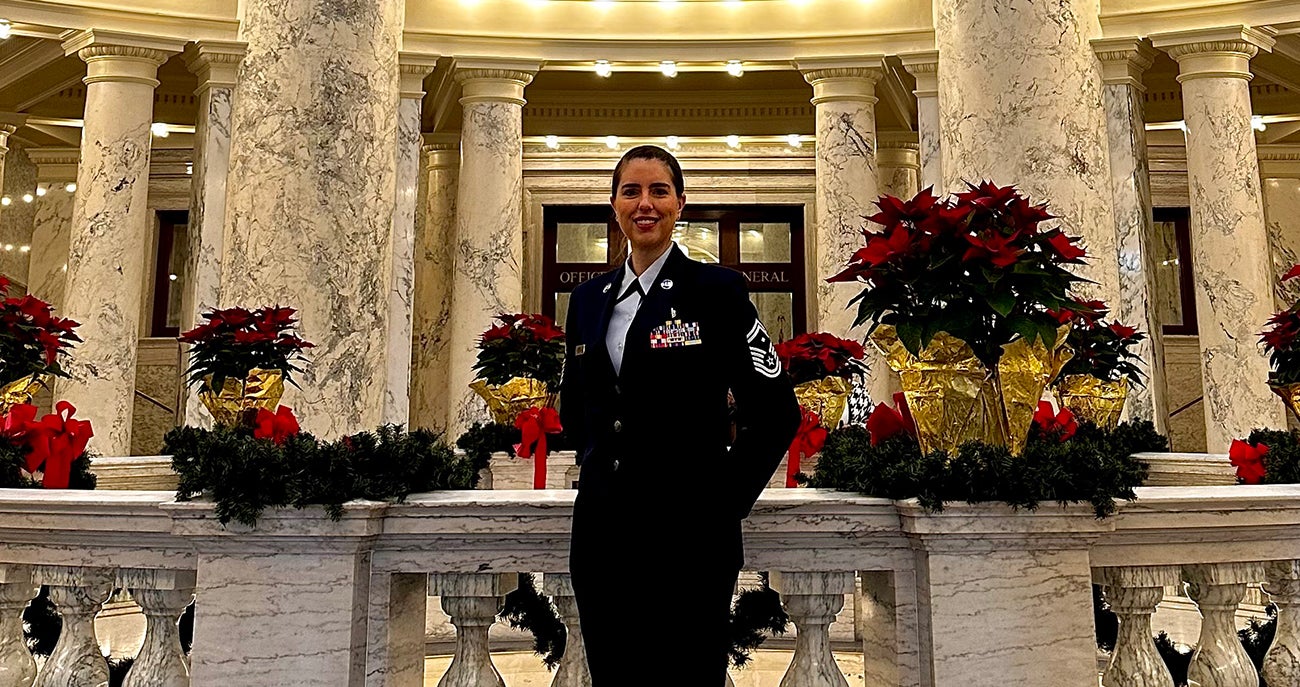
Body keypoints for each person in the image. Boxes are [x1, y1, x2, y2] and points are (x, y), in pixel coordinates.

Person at [560, 145, 801, 686]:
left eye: (659, 191)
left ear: (681, 204)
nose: (645, 203)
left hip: (690, 534)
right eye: (631, 191)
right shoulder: (588, 300)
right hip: (602, 535)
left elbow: (777, 412)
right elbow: (577, 410)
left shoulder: (717, 292)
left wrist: (721, 500)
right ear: (614, 206)